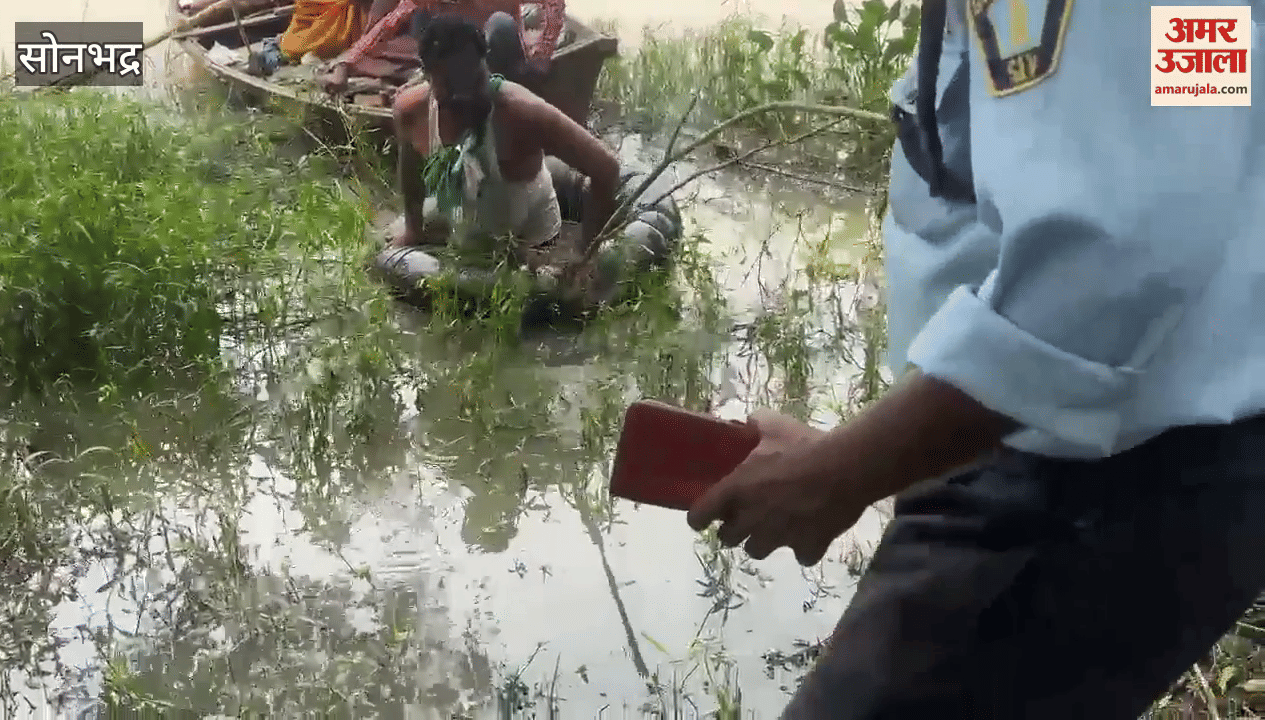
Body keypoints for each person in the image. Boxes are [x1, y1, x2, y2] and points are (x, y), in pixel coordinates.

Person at [686, 0, 1265, 717]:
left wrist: (841, 471)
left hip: (1078, 487)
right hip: (1091, 453)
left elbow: (1113, 259)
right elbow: (1187, 149)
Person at [386, 14, 618, 273]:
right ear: (428, 77)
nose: (471, 95)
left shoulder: (521, 112)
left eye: (476, 81)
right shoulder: (410, 111)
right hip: (462, 216)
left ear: (485, 65)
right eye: (455, 88)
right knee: (393, 241)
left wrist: (585, 254)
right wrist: (412, 229)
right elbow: (410, 170)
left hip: (526, 236)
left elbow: (606, 167)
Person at [316, 0, 565, 96]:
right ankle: (419, 86)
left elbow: (554, 4)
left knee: (500, 25)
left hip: (500, 57)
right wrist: (345, 64)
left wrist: (541, 56)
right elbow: (386, 26)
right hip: (458, 64)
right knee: (431, 33)